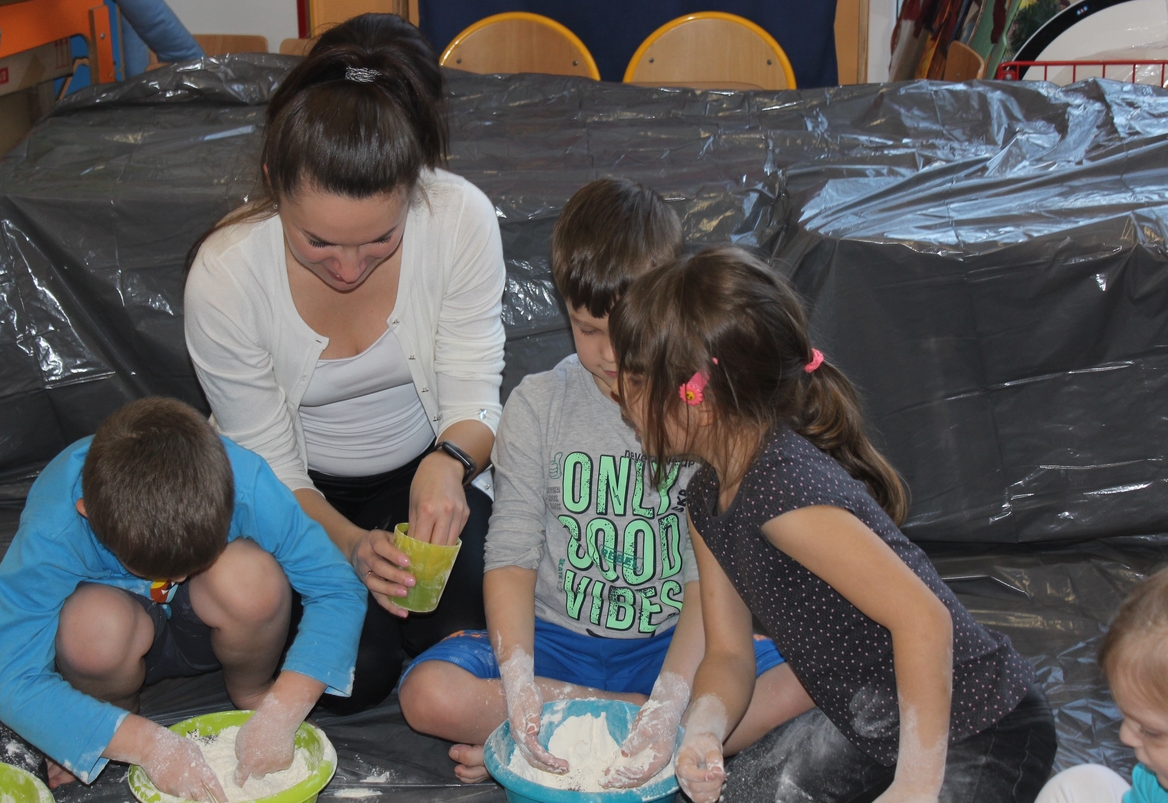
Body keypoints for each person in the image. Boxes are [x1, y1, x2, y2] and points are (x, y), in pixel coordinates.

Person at [398, 181, 814, 784]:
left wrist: (671, 698)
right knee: (428, 694)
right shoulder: (537, 405)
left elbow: (706, 588)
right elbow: (511, 554)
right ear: (565, 309)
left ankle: (580, 735)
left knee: (814, 671)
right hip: (554, 645)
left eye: (628, 329)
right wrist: (519, 688)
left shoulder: (698, 411)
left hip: (671, 646)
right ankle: (602, 728)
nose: (611, 354)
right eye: (587, 329)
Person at [609, 245, 1057, 803]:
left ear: (699, 401)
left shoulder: (782, 494)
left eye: (634, 379)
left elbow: (924, 621)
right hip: (871, 723)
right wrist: (702, 729)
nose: (618, 392)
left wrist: (914, 787)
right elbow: (728, 655)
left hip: (976, 726)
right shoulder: (706, 499)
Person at [184, 13, 505, 712]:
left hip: (424, 469)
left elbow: (476, 392)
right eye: (320, 243)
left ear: (413, 187)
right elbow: (269, 467)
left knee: (462, 629)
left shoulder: (459, 219)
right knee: (350, 680)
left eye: (380, 240)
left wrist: (449, 462)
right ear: (274, 183)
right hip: (297, 493)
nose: (350, 268)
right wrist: (353, 546)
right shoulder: (227, 274)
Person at [0, 397, 367, 799]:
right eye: (151, 566)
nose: (178, 579)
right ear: (87, 515)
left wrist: (282, 711)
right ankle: (111, 717)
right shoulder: (51, 531)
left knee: (251, 579)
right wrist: (127, 741)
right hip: (117, 639)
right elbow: (15, 678)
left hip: (211, 622)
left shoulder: (245, 480)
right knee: (91, 628)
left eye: (194, 562)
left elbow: (336, 586)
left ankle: (253, 694)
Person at [1035, 568, 1168, 803]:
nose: (1125, 736)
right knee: (1080, 783)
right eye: (1125, 717)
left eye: (1151, 731)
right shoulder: (1154, 780)